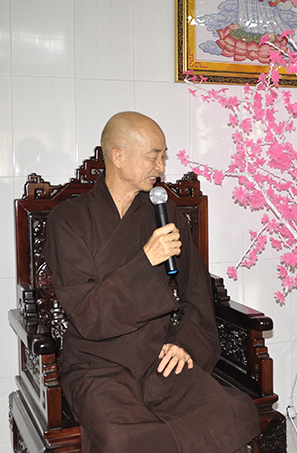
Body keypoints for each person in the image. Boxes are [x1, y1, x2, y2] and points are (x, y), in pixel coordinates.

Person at [45, 111, 260, 453]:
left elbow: (196, 291)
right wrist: (146, 261)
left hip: (158, 356)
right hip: (96, 365)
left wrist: (185, 343)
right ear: (118, 156)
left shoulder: (165, 213)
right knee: (126, 441)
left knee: (227, 412)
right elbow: (87, 314)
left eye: (163, 155)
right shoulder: (68, 220)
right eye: (153, 155)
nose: (161, 166)